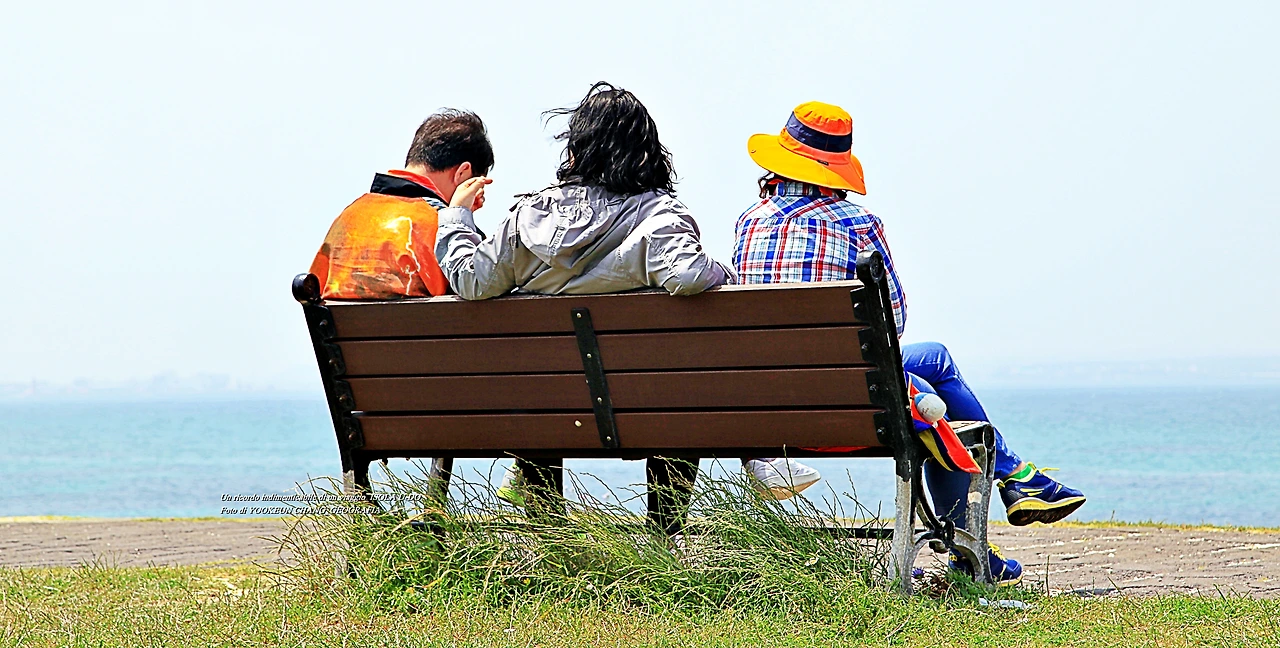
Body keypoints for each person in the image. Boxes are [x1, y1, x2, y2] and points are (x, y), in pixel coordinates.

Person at [732, 101, 1087, 586]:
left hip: (770, 404)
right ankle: (993, 509)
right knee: (933, 381)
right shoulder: (856, 223)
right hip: (850, 401)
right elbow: (892, 323)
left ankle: (1012, 485)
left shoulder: (749, 222)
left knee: (934, 358)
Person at [435, 82, 734, 505]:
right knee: (680, 395)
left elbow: (470, 280)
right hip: (650, 410)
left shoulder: (528, 217)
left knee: (540, 385)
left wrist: (456, 218)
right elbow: (688, 275)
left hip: (546, 412)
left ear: (575, 151)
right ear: (646, 153)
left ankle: (548, 532)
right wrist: (727, 273)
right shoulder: (659, 216)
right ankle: (664, 534)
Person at [309, 109, 494, 299]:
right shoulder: (441, 229)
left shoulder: (347, 219)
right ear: (462, 173)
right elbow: (475, 284)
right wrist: (461, 222)